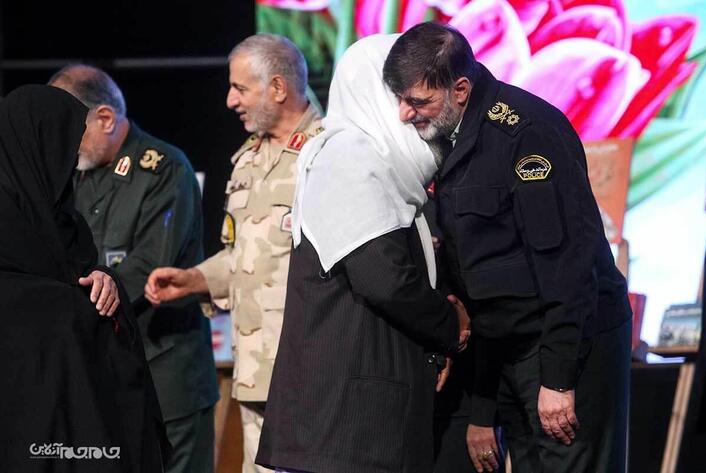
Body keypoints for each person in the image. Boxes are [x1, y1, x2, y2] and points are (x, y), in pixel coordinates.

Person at [384, 22, 632, 473]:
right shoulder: (452, 133)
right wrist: (483, 405)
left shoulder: (527, 134)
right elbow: (482, 286)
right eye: (400, 99)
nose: (405, 114)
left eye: (417, 101)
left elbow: (567, 265)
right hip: (510, 352)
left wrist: (559, 379)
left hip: (567, 347)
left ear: (461, 89)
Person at [253, 33, 470, 473]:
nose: (409, 110)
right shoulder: (350, 157)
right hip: (344, 426)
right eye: (399, 92)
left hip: (360, 425)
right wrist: (452, 324)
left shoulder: (383, 167)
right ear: (373, 90)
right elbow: (383, 278)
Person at [144, 34, 322, 473]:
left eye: (240, 88)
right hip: (255, 372)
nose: (229, 100)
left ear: (277, 88)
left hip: (310, 375)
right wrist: (195, 279)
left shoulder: (328, 153)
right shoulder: (248, 158)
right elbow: (244, 254)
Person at [48, 65, 218, 473]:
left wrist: (73, 305)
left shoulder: (166, 169)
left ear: (105, 118)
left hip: (166, 375)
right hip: (102, 376)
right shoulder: (73, 177)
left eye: (70, 128)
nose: (63, 141)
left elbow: (148, 265)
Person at [0, 85, 166, 472]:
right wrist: (66, 305)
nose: (72, 164)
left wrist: (106, 281)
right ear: (34, 147)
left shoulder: (62, 218)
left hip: (78, 423)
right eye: (62, 149)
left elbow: (80, 275)